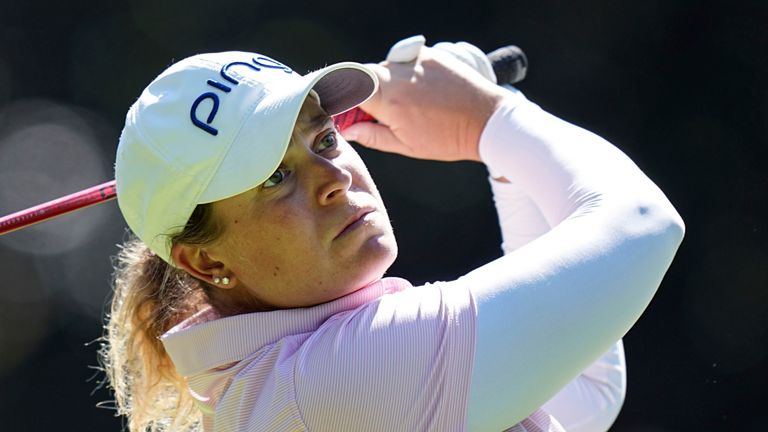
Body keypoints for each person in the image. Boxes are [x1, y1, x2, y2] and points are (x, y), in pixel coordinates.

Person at [102, 37, 684, 432]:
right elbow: (643, 226)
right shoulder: (336, 378)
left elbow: (576, 394)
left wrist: (502, 149)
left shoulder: (281, 380)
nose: (333, 178)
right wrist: (488, 119)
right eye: (274, 177)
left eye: (324, 139)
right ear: (203, 262)